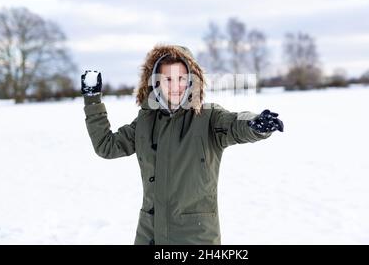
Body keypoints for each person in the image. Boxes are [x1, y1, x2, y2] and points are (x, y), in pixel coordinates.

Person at [81, 44, 284, 245]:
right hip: (149, 235)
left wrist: (256, 124)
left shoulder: (208, 117)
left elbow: (235, 124)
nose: (175, 86)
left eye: (181, 78)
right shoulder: (144, 122)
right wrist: (92, 101)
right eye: (168, 79)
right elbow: (107, 146)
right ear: (155, 82)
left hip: (195, 237)